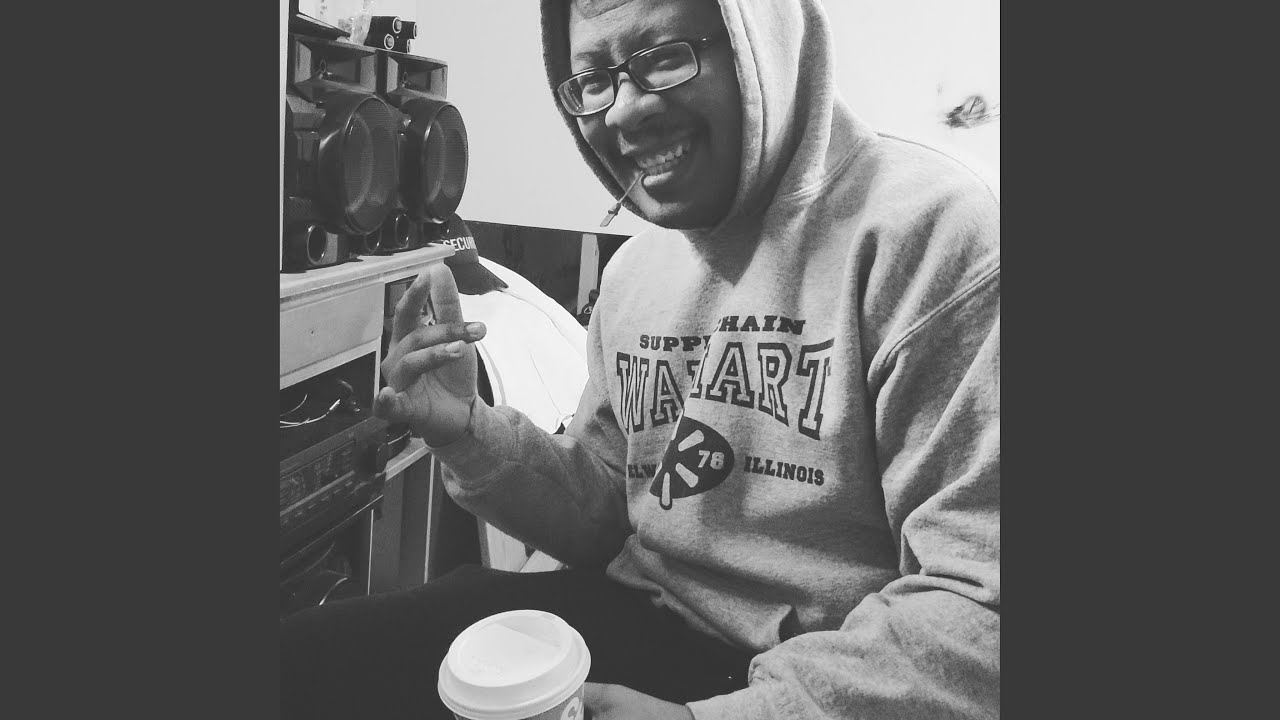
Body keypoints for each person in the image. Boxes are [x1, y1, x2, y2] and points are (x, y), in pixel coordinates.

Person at [281, 0, 1000, 718]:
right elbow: (604, 518)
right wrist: (468, 431)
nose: (623, 111)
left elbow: (980, 607)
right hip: (631, 618)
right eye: (593, 78)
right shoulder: (637, 271)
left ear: (763, 37)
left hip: (819, 675)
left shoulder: (935, 235)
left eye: (663, 57)